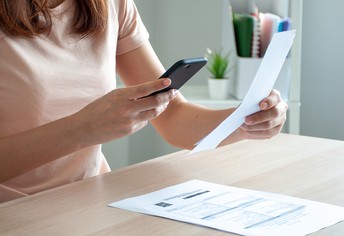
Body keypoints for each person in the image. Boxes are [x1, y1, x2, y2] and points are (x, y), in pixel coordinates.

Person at [0, 0, 288, 203]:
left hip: (87, 202)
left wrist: (246, 120)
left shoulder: (110, 5)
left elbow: (172, 117)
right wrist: (81, 129)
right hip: (13, 216)